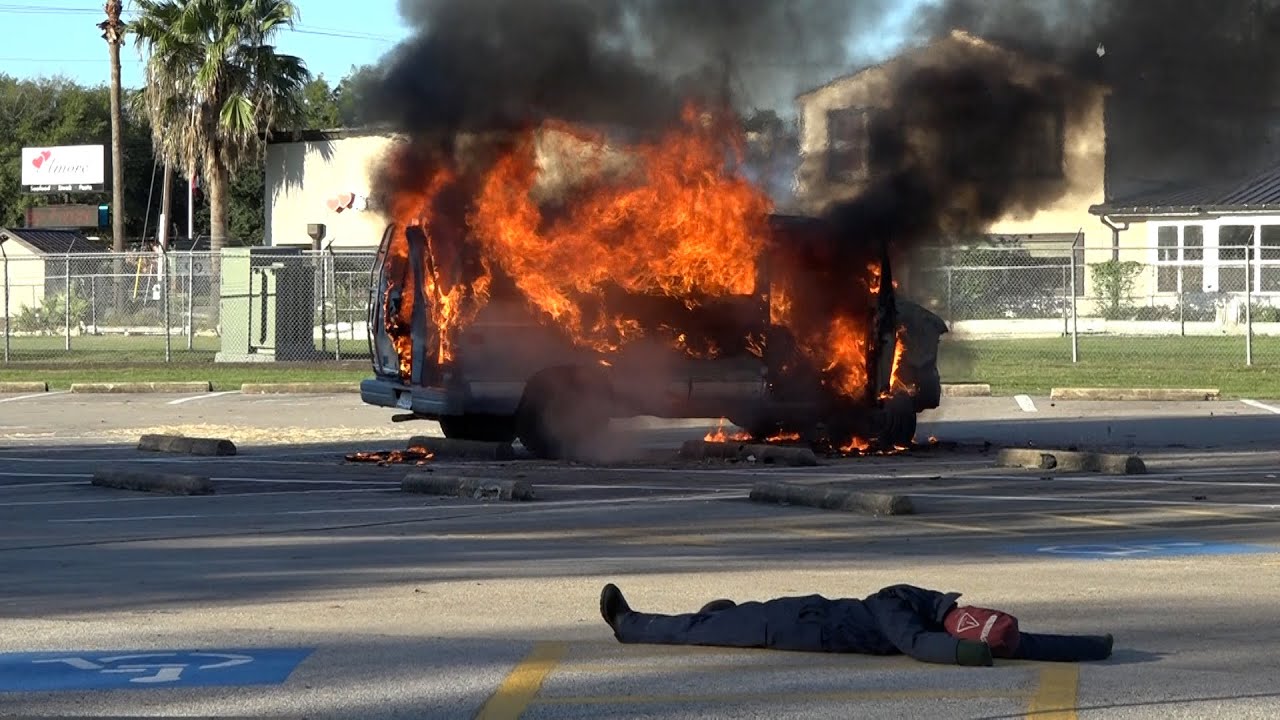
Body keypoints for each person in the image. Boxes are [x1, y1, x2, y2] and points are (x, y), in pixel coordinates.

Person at [598, 583, 1113, 667]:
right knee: (727, 615)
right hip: (809, 614)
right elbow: (1026, 645)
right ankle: (719, 613)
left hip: (801, 624)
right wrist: (1093, 646)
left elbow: (918, 645)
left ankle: (629, 625)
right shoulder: (917, 611)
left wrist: (967, 656)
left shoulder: (900, 606)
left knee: (698, 631)